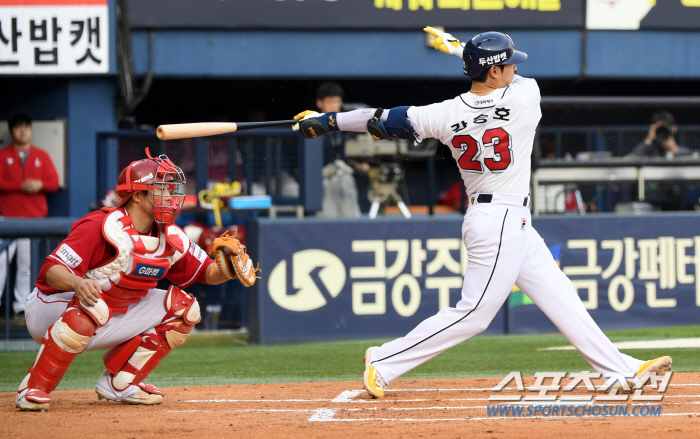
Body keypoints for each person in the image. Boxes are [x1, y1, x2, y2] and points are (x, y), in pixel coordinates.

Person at [293, 27, 672, 398]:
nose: (515, 68)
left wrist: (327, 122)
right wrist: (455, 47)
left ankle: (619, 370)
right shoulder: (526, 96)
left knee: (560, 295)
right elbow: (499, 75)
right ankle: (385, 359)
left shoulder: (443, 113)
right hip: (500, 222)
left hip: (499, 219)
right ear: (494, 72)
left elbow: (380, 117)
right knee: (474, 313)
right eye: (508, 64)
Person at [16, 148, 259, 411]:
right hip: (51, 310)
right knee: (93, 306)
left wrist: (228, 270)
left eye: (171, 189)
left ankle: (119, 383)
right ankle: (33, 388)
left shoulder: (170, 235)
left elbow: (206, 273)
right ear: (137, 195)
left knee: (185, 309)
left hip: (109, 311)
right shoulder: (102, 225)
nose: (171, 196)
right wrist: (77, 283)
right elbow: (50, 270)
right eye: (162, 189)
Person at [0, 114, 59, 317]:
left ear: (31, 130)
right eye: (18, 128)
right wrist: (20, 186)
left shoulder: (41, 155)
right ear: (11, 132)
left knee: (25, 265)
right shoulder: (3, 155)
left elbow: (53, 182)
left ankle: (20, 307)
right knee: (0, 263)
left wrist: (40, 184)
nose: (22, 131)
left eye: (25, 127)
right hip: (7, 219)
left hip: (32, 220)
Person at [315, 82, 363, 218]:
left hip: (345, 178)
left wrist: (356, 164)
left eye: (337, 102)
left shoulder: (345, 126)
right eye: (330, 102)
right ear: (319, 103)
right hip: (323, 179)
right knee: (326, 220)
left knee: (352, 218)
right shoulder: (313, 126)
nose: (334, 106)